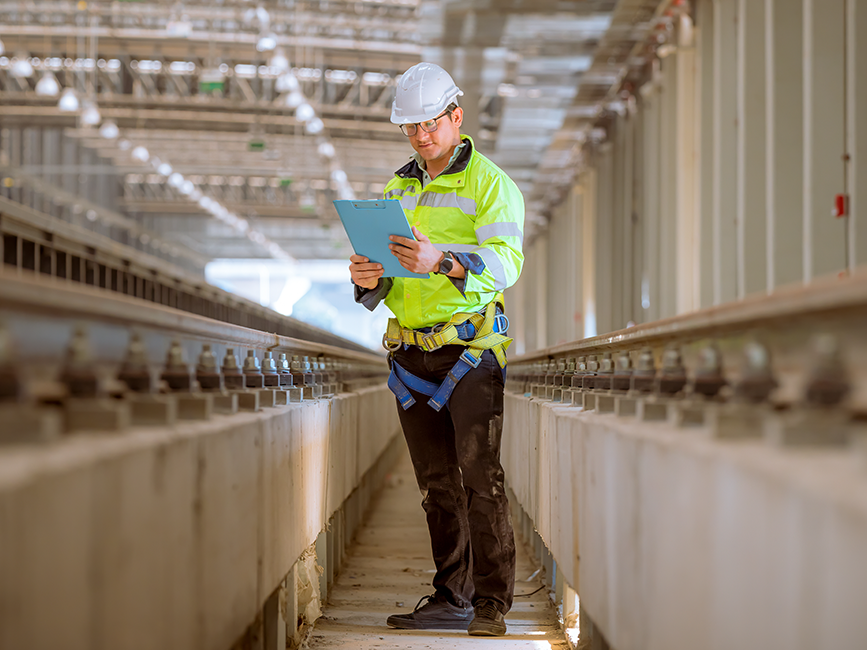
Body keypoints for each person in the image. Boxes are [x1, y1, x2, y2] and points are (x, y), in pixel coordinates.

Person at [349, 62, 525, 637]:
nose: (422, 136)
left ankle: (493, 603)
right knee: (437, 486)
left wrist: (443, 261)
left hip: (470, 353)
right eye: (411, 127)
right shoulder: (398, 188)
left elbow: (505, 264)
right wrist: (368, 276)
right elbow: (391, 278)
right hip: (412, 356)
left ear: (456, 116)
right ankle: (452, 594)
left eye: (430, 123)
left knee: (481, 478)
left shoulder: (490, 184)